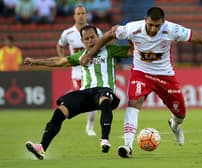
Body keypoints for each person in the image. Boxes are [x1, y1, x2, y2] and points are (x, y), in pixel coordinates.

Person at [80, 7, 202, 158]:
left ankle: (174, 125)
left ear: (163, 23)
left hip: (165, 76)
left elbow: (199, 38)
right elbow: (109, 34)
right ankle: (128, 146)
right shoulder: (133, 28)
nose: (153, 29)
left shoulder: (172, 29)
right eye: (151, 25)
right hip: (141, 73)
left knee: (181, 114)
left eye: (157, 26)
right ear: (146, 21)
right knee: (134, 102)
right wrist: (91, 53)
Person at [24, 25, 131, 160]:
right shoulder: (80, 55)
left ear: (98, 37)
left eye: (93, 37)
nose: (90, 40)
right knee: (60, 112)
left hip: (103, 89)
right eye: (87, 38)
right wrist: (36, 62)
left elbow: (132, 51)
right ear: (82, 41)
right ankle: (41, 147)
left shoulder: (110, 50)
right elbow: (59, 61)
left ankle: (104, 139)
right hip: (85, 93)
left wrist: (132, 37)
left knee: (104, 100)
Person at [56, 5, 102, 136]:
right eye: (78, 13)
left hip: (93, 70)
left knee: (92, 98)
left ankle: (90, 126)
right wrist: (63, 59)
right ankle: (70, 100)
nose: (81, 15)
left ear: (87, 15)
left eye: (83, 13)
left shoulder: (95, 31)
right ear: (74, 16)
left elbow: (104, 44)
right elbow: (60, 45)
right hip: (77, 72)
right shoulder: (68, 33)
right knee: (87, 98)